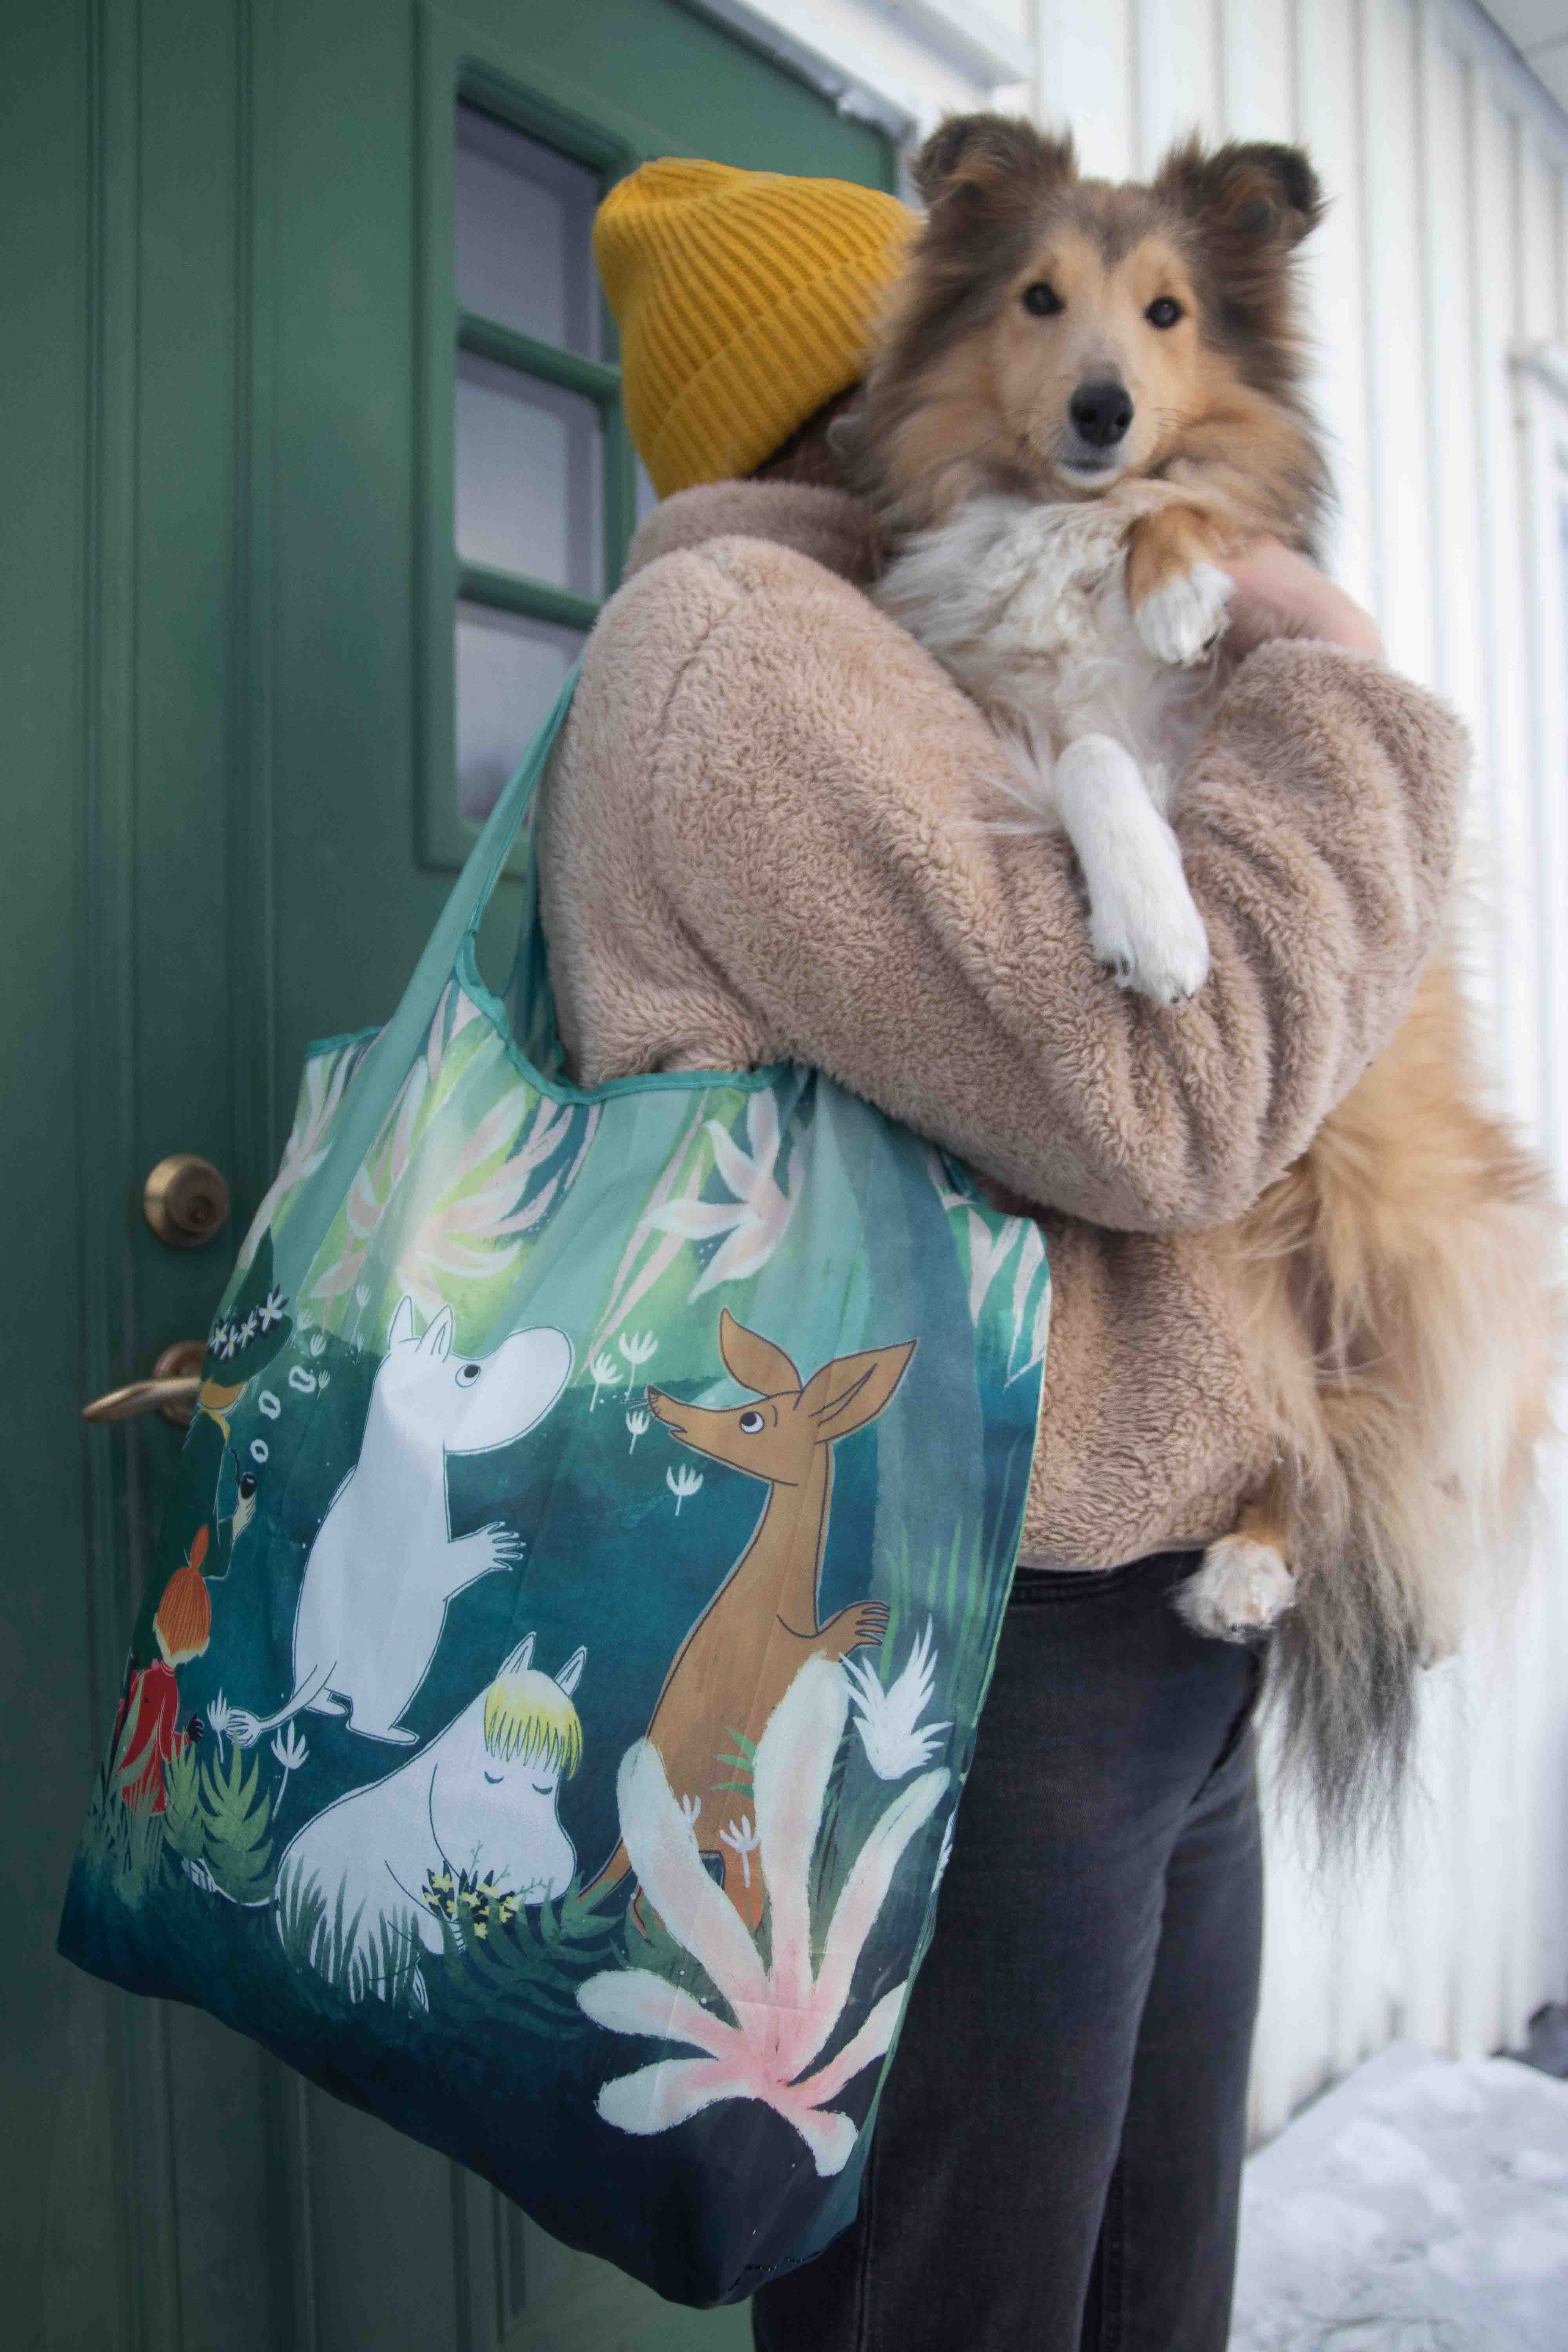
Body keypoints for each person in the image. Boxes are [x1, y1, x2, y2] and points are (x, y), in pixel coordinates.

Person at [537, 158, 1463, 2352]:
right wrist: (1336, 676)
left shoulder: (894, 639)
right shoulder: (749, 659)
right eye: (1005, 316)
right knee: (958, 2313)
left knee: (1142, 2297)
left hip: (1144, 1617)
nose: (1078, 377)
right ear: (867, 373)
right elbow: (1176, 1094)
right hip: (983, 1646)